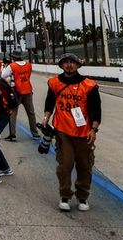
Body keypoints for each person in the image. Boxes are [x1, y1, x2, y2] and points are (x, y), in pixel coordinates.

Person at [40, 53, 102, 212]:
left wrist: (94, 129)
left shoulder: (89, 85)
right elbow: (50, 101)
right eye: (66, 62)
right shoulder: (54, 82)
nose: (69, 65)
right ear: (61, 65)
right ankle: (65, 196)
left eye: (72, 62)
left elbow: (96, 109)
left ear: (78, 65)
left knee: (84, 166)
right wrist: (46, 116)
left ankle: (83, 197)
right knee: (65, 165)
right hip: (63, 131)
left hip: (84, 133)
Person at [1, 50, 42, 142]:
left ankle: (12, 135)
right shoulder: (28, 65)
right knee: (31, 113)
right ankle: (35, 133)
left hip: (17, 92)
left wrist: (6, 67)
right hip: (28, 90)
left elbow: (3, 76)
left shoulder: (12, 66)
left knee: (13, 113)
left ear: (14, 57)